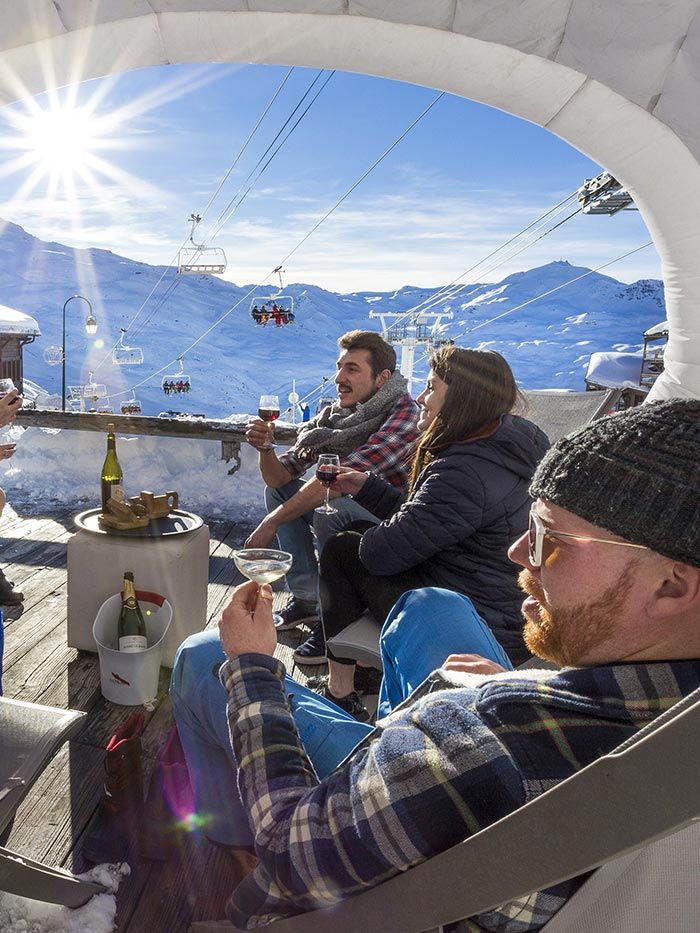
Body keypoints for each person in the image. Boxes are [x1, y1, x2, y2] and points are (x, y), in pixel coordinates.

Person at [170, 398, 700, 930]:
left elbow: (290, 853)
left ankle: (227, 845)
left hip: (371, 846)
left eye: (549, 540)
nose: (519, 552)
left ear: (672, 585)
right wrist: (521, 682)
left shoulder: (487, 744)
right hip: (510, 779)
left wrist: (254, 668)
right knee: (432, 606)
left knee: (204, 655)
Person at [308, 347, 549, 718]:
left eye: (431, 387)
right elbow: (435, 519)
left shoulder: (464, 471)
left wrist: (384, 530)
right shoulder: (507, 446)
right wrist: (368, 488)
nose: (422, 397)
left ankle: (340, 690)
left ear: (461, 397)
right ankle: (369, 673)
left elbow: (382, 553)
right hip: (502, 602)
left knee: (344, 547)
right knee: (357, 530)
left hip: (476, 622)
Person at [244, 330, 419, 645]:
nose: (339, 377)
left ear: (382, 378)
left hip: (393, 527)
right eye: (339, 367)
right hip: (349, 507)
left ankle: (336, 613)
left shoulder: (404, 414)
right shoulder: (338, 416)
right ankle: (308, 599)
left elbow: (339, 479)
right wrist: (266, 449)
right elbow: (281, 478)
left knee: (329, 510)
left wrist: (271, 522)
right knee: (279, 495)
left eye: (352, 369)